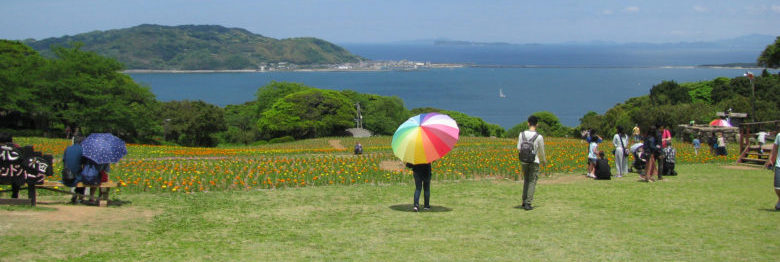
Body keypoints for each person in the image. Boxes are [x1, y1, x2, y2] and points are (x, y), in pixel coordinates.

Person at [517, 115, 546, 210]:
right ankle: (528, 203)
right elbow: (542, 150)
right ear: (537, 124)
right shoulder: (539, 137)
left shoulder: (522, 134)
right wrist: (544, 160)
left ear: (528, 123)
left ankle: (524, 201)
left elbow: (518, 148)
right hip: (534, 161)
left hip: (524, 161)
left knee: (526, 180)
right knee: (532, 181)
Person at [63, 136, 85, 204]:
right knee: (85, 178)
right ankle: (80, 196)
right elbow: (84, 163)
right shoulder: (82, 149)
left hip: (65, 176)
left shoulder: (67, 148)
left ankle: (76, 195)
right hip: (75, 177)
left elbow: (64, 161)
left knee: (79, 174)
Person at [764, 131, 780, 210]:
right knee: (777, 187)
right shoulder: (779, 135)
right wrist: (770, 160)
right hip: (779, 165)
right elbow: (774, 149)